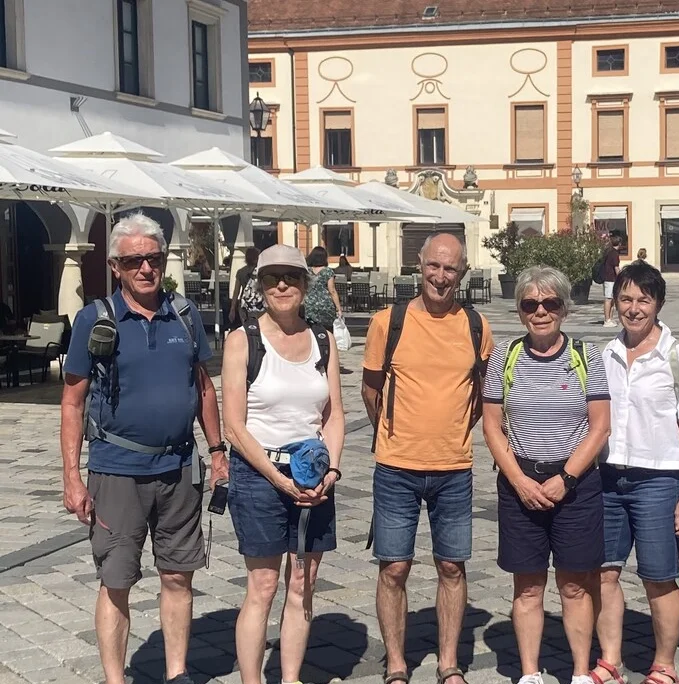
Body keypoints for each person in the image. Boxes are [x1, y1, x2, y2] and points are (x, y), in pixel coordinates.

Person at [59, 213, 225, 684]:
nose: (146, 268)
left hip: (178, 469)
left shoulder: (186, 315)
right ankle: (116, 679)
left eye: (152, 258)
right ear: (116, 266)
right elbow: (72, 402)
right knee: (116, 582)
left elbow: (204, 387)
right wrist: (72, 477)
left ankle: (177, 673)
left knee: (178, 576)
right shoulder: (95, 320)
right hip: (116, 472)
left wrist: (216, 451)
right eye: (134, 261)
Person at [361, 233, 494, 684]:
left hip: (454, 468)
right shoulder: (388, 322)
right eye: (433, 267)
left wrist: (450, 430)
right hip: (396, 465)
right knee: (394, 566)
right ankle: (396, 663)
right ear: (419, 265)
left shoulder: (477, 326)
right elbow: (370, 391)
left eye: (450, 269)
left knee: (452, 566)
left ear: (462, 273)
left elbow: (480, 396)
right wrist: (398, 434)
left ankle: (449, 662)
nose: (440, 276)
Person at [221, 245, 345, 684]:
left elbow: (333, 416)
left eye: (291, 277)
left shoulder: (323, 340)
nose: (282, 285)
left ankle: (290, 679)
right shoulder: (242, 340)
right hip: (259, 478)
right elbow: (233, 426)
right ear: (260, 285)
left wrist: (330, 473)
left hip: (314, 478)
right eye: (272, 277)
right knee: (264, 586)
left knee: (302, 584)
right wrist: (278, 478)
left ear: (305, 284)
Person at [481, 266, 610, 684]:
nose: (541, 311)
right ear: (520, 311)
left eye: (550, 303)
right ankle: (531, 673)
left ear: (564, 309)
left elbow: (600, 426)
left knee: (574, 585)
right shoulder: (504, 356)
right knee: (528, 587)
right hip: (520, 484)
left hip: (575, 488)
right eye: (530, 304)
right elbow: (491, 426)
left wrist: (566, 479)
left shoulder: (586, 357)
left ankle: (578, 671)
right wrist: (518, 480)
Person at [591, 262, 679, 684]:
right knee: (604, 573)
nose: (634, 308)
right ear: (615, 301)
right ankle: (610, 660)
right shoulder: (605, 355)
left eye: (643, 299)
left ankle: (663, 664)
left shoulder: (678, 357)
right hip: (607, 479)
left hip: (658, 481)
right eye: (626, 299)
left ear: (658, 304)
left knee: (659, 577)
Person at [303, 246, 343, 332]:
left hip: (309, 304)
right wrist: (338, 308)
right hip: (325, 305)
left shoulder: (307, 271)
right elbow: (332, 290)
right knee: (327, 331)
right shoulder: (328, 271)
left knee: (311, 330)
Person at [229, 247, 262, 329]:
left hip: (244, 304)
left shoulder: (241, 272)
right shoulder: (261, 271)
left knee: (246, 328)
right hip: (259, 304)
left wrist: (232, 308)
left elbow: (236, 291)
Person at [602, 234, 623, 328]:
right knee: (608, 299)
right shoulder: (614, 253)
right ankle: (607, 320)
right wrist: (621, 277)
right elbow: (616, 268)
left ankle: (610, 318)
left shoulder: (609, 251)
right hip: (610, 279)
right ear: (619, 243)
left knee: (612, 299)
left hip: (609, 278)